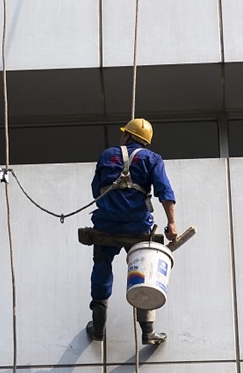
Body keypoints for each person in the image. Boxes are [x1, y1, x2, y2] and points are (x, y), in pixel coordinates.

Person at [86, 118, 177, 345]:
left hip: (106, 223)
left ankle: (98, 327)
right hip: (137, 225)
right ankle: (147, 331)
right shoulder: (153, 159)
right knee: (143, 271)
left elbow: (95, 189)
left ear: (127, 135)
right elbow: (164, 192)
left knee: (102, 264)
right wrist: (172, 224)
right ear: (145, 141)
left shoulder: (107, 155)